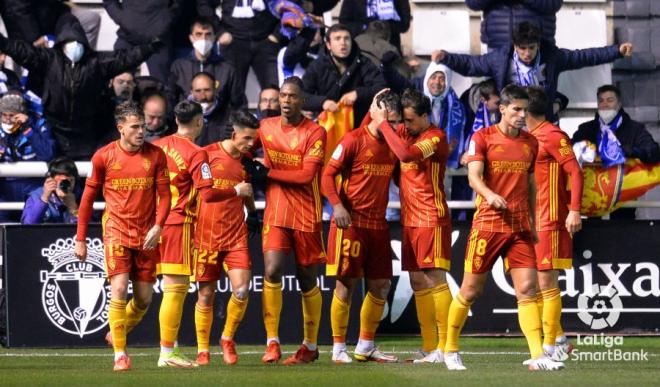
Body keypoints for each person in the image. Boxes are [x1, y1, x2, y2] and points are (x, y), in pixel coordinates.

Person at [442, 85, 563, 371]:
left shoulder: (530, 143)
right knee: (470, 291)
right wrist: (489, 194)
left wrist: (532, 222)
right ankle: (449, 349)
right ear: (503, 109)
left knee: (527, 289)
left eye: (525, 110)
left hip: (519, 226)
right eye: (517, 110)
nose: (522, 115)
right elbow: (473, 177)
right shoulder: (482, 137)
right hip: (488, 225)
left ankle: (537, 356)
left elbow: (532, 185)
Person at [152, 100, 252, 368]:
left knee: (144, 291)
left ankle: (121, 335)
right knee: (183, 290)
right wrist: (235, 191)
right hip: (189, 226)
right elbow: (207, 193)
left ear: (175, 119)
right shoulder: (199, 153)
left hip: (157, 223)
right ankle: (182, 351)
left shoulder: (157, 146)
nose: (251, 144)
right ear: (199, 121)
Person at [74, 101, 172, 372]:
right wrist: (80, 238)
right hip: (116, 230)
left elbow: (165, 196)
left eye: (143, 126)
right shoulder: (103, 157)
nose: (142, 131)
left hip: (147, 234)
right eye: (136, 127)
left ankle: (116, 331)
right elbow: (87, 199)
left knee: (143, 299)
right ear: (121, 129)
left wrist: (159, 225)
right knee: (118, 289)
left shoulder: (156, 155)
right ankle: (120, 354)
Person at [0, 13, 161, 159]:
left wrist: (149, 48)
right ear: (62, 42)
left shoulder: (95, 63)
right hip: (55, 131)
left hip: (86, 135)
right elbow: (22, 52)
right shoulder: (49, 60)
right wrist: (4, 43)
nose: (74, 46)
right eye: (70, 42)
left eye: (77, 41)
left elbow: (125, 58)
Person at [247, 76, 327, 365]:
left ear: (302, 101)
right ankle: (272, 342)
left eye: (292, 96)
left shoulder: (316, 133)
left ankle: (310, 345)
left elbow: (306, 176)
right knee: (271, 270)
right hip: (277, 210)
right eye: (282, 95)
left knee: (307, 278)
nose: (285, 101)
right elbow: (244, 147)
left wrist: (266, 174)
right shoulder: (265, 127)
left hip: (307, 212)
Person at [372, 88, 453, 363]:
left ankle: (446, 346)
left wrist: (384, 124)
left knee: (435, 279)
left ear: (424, 116)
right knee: (418, 281)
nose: (405, 126)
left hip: (431, 217)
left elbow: (406, 156)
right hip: (411, 218)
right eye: (402, 121)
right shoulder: (408, 133)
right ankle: (431, 347)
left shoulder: (435, 138)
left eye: (410, 121)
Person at [321, 90, 401, 363]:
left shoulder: (393, 143)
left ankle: (365, 344)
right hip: (351, 222)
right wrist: (337, 206)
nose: (393, 127)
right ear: (378, 115)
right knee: (346, 284)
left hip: (378, 224)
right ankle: (338, 348)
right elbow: (327, 176)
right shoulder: (353, 140)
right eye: (389, 121)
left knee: (381, 285)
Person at [433, 21, 634, 122]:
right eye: (522, 48)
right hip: (512, 123)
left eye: (531, 47)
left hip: (543, 121)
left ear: (538, 44)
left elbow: (584, 56)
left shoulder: (553, 57)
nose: (527, 53)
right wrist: (446, 57)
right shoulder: (499, 59)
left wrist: (616, 51)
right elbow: (471, 65)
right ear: (514, 45)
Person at [194, 109, 260, 366]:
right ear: (234, 135)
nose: (251, 144)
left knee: (242, 289)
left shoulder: (245, 162)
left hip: (235, 235)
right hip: (206, 235)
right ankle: (202, 349)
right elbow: (203, 193)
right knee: (206, 295)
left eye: (253, 138)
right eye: (247, 138)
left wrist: (252, 213)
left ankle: (227, 338)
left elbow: (247, 191)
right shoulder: (206, 155)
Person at [525, 86, 583, 363]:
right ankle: (559, 339)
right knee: (533, 284)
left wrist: (574, 211)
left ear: (526, 110)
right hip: (530, 220)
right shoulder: (527, 137)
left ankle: (549, 347)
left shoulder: (552, 135)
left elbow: (575, 171)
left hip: (549, 219)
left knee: (547, 282)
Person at [572, 85, 660, 219]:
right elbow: (569, 151)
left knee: (622, 233)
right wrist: (581, 148)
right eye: (601, 101)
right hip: (594, 197)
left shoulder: (635, 129)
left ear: (619, 104)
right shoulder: (586, 129)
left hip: (623, 199)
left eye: (610, 100)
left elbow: (653, 152)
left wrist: (628, 151)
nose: (605, 104)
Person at [302, 23, 386, 124]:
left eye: (347, 38)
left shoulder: (364, 62)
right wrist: (322, 102)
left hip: (359, 125)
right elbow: (301, 95)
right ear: (328, 45)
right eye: (337, 39)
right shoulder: (317, 66)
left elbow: (381, 87)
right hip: (328, 126)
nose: (343, 43)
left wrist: (358, 94)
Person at [197, 0, 281, 92]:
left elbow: (292, 5)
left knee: (273, 90)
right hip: (233, 41)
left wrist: (278, 34)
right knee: (232, 91)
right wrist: (219, 31)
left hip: (266, 40)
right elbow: (204, 4)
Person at [168, 16, 246, 110]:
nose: (203, 38)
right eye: (199, 34)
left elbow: (239, 103)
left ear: (214, 37)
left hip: (219, 121)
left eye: (208, 34)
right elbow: (170, 99)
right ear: (191, 38)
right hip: (187, 120)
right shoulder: (179, 67)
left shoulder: (227, 69)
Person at [0, 92, 56, 222]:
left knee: (33, 220)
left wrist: (27, 128)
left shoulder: (38, 124)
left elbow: (49, 154)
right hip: (5, 188)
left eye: (12, 116)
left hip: (33, 187)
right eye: (4, 115)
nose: (8, 120)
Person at [104, 0, 180, 84]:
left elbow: (178, 4)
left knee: (160, 85)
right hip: (127, 36)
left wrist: (163, 23)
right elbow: (109, 2)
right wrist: (123, 19)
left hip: (158, 39)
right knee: (119, 80)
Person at [466, 0, 563, 50]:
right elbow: (472, 2)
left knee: (538, 88)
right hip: (497, 49)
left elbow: (554, 3)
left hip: (538, 48)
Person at [21, 157, 79, 224]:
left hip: (68, 234)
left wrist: (73, 208)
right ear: (51, 179)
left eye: (70, 180)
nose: (65, 184)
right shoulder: (36, 197)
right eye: (61, 180)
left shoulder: (81, 197)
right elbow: (28, 225)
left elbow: (88, 229)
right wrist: (44, 199)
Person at [339, 0, 411, 53]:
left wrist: (386, 26)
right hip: (362, 51)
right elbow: (344, 22)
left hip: (389, 51)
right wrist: (364, 27)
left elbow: (405, 24)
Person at [188, 72, 233, 146]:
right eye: (198, 91)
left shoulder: (229, 116)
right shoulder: (182, 116)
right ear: (191, 92)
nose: (203, 97)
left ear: (215, 90)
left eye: (207, 90)